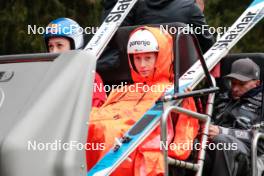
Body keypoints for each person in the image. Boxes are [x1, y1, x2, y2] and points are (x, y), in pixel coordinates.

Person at [87, 26, 200, 175]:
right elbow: (99, 115)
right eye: (137, 58)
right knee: (84, 124)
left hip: (138, 141)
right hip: (110, 135)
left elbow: (185, 133)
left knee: (108, 130)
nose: (142, 65)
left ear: (160, 57)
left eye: (148, 58)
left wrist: (173, 154)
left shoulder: (175, 91)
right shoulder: (121, 91)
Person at [97, 0, 215, 73]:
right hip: (180, 78)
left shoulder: (134, 8)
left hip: (136, 75)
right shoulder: (190, 7)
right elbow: (210, 46)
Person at [203, 58, 264, 176]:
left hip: (251, 155)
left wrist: (223, 131)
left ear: (257, 83)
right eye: (233, 83)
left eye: (241, 84)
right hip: (216, 147)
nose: (235, 88)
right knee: (188, 144)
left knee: (223, 142)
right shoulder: (223, 98)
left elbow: (261, 141)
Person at [44, 18, 107, 108]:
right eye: (50, 46)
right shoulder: (47, 76)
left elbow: (94, 112)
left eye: (59, 45)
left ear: (75, 45)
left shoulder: (89, 77)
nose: (54, 52)